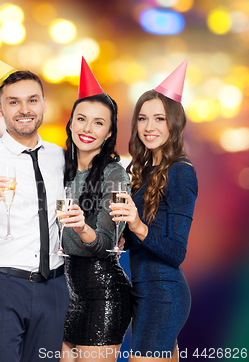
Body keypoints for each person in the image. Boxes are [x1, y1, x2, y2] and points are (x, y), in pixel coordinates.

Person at [0, 51, 69, 362]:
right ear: (0, 108)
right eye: (13, 102)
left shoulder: (61, 157)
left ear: (43, 104)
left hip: (54, 287)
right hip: (0, 286)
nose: (24, 110)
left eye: (32, 100)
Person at [111, 59, 198, 361]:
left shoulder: (181, 172)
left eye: (159, 119)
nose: (149, 127)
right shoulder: (145, 171)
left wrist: (137, 227)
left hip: (163, 295)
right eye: (143, 118)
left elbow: (176, 252)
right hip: (143, 292)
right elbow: (148, 236)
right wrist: (125, 238)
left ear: (173, 124)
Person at [59, 57, 132, 362]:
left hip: (105, 293)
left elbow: (106, 245)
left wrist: (81, 227)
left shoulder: (115, 175)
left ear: (108, 133)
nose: (87, 129)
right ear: (71, 122)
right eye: (81, 119)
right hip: (70, 294)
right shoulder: (57, 165)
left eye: (98, 122)